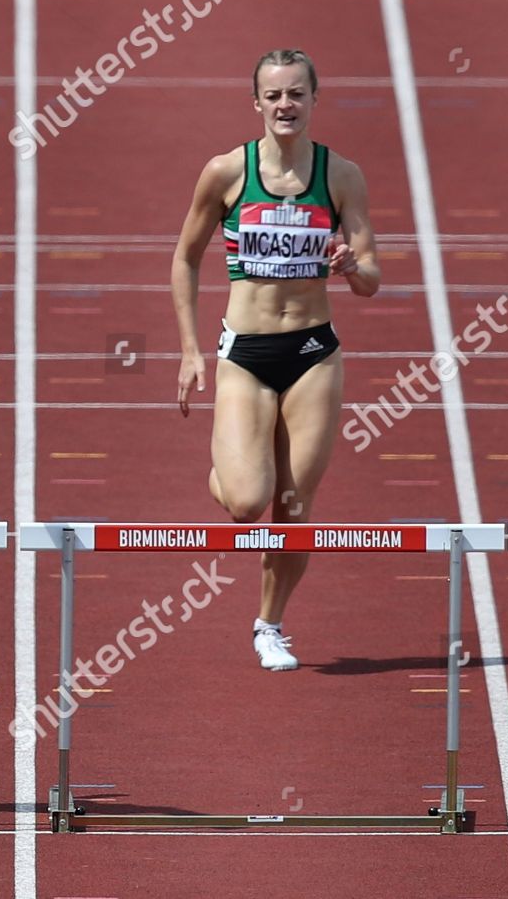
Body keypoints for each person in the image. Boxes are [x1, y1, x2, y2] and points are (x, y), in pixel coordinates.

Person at [171, 49, 380, 671]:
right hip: (247, 351)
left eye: (296, 94)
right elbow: (185, 258)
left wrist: (351, 268)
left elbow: (372, 276)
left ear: (315, 100)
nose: (285, 105)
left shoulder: (341, 176)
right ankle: (229, 467)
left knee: (294, 504)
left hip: (314, 353)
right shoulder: (227, 173)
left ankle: (269, 625)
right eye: (274, 95)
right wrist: (188, 350)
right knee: (244, 502)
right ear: (256, 103)